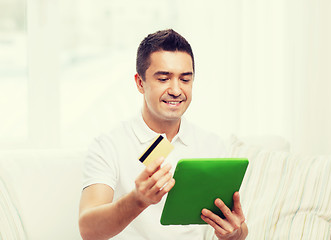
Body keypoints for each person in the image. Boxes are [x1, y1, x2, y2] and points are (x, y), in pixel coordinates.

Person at [78, 29, 248, 240]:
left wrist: (234, 233)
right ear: (140, 83)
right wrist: (137, 200)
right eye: (164, 79)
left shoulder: (211, 145)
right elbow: (88, 230)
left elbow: (238, 229)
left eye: (185, 80)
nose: (176, 90)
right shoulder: (108, 145)